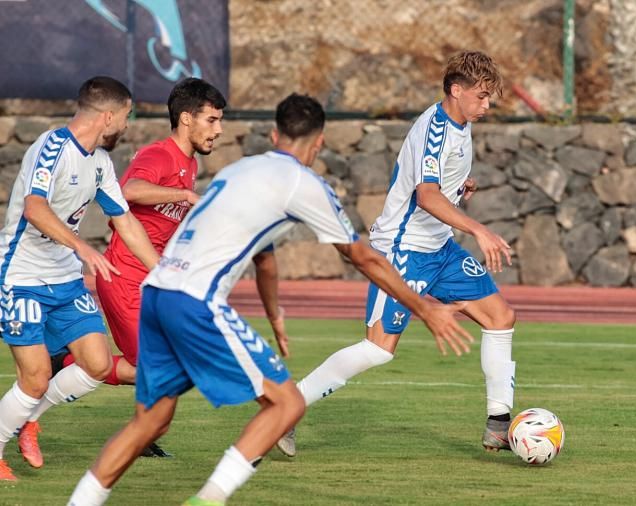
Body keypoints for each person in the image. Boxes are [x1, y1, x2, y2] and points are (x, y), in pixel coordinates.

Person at [67, 93, 473, 506]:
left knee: (151, 421)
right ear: (319, 143)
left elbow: (265, 258)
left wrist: (274, 314)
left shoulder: (241, 169)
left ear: (275, 135)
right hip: (196, 301)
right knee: (287, 404)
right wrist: (424, 308)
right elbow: (363, 257)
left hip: (157, 292)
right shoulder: (304, 183)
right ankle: (207, 499)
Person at [277, 50, 516, 458]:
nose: (487, 105)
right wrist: (479, 229)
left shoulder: (461, 124)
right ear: (456, 90)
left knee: (500, 317)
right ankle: (287, 408)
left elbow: (434, 184)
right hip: (403, 250)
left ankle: (499, 424)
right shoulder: (434, 129)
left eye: (489, 97)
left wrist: (460, 187)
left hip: (439, 249)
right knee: (378, 348)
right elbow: (425, 196)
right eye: (481, 96)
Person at [54, 77, 227, 459]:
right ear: (186, 118)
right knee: (161, 366)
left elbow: (160, 222)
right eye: (212, 120)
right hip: (124, 277)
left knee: (169, 361)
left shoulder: (189, 163)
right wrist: (184, 195)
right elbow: (129, 190)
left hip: (152, 280)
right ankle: (67, 363)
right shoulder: (160, 155)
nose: (218, 130)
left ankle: (139, 428)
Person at [0, 76, 160, 482]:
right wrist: (82, 247)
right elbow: (34, 208)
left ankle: (29, 419)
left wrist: (162, 271)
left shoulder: (101, 162)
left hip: (65, 279)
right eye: (125, 116)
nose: (126, 125)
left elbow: (125, 221)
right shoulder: (52, 147)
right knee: (36, 377)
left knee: (97, 364)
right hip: (21, 276)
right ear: (108, 116)